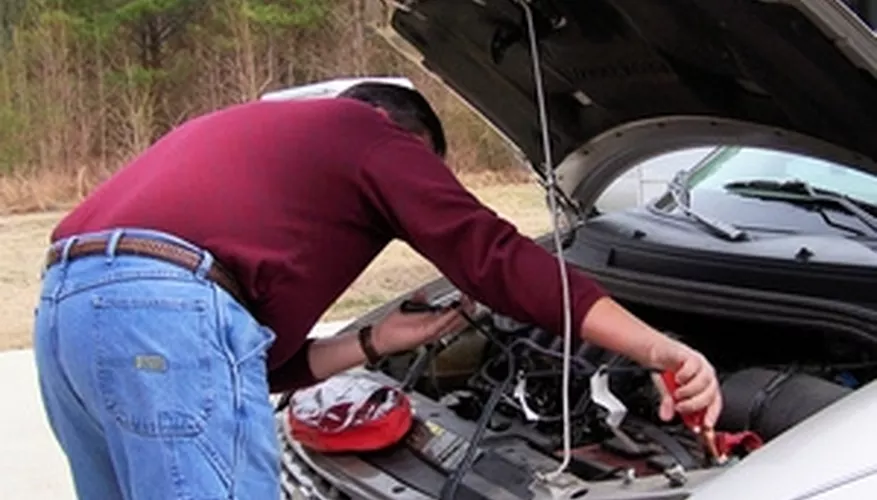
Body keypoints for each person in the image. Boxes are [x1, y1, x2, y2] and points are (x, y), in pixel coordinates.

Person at [33, 80, 722, 499]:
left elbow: (248, 366)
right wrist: (659, 350)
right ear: (410, 142)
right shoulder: (368, 133)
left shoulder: (250, 139)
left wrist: (372, 341)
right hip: (162, 312)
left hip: (70, 313)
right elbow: (495, 257)